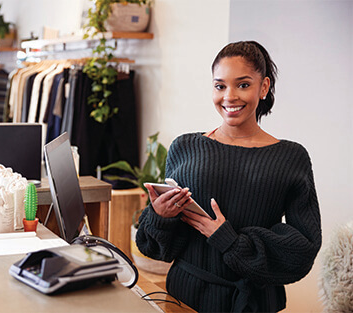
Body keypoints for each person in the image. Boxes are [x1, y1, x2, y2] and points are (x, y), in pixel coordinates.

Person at [136, 41, 322, 313]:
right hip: (183, 299)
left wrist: (231, 241)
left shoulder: (292, 157)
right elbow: (155, 249)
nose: (229, 96)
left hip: (253, 304)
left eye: (243, 85)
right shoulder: (185, 147)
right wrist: (161, 216)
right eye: (220, 86)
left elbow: (303, 249)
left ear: (264, 87)